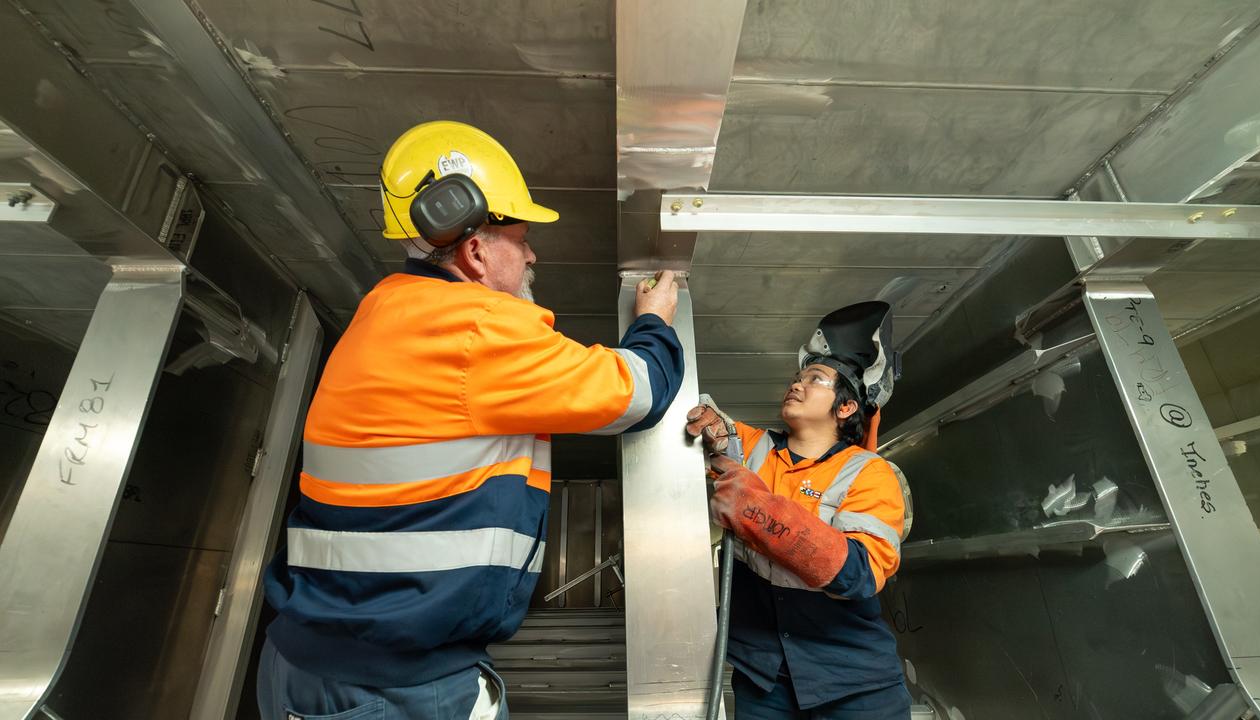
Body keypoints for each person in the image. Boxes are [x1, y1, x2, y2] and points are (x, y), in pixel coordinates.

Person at [257, 121, 683, 720]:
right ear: (477, 251)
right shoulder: (475, 326)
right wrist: (655, 322)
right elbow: (635, 394)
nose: (532, 254)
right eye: (522, 239)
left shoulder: (383, 311)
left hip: (309, 664)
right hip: (394, 687)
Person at [686, 301, 911, 719]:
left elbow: (858, 573)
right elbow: (715, 426)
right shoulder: (754, 448)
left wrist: (756, 511)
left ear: (845, 408)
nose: (798, 384)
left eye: (815, 379)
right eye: (797, 376)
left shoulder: (868, 473)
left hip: (854, 684)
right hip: (763, 678)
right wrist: (711, 423)